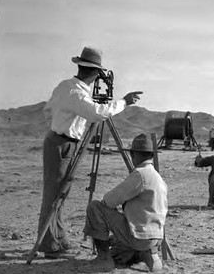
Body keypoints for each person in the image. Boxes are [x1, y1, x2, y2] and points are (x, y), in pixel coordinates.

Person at [37, 46, 143, 259]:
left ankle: (57, 238)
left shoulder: (66, 87)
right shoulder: (75, 92)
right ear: (95, 73)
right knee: (54, 194)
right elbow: (97, 113)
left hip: (61, 140)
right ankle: (49, 245)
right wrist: (124, 102)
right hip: (61, 143)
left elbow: (49, 109)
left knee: (61, 193)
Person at [83, 133, 168, 272]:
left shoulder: (140, 174)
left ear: (134, 155)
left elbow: (109, 201)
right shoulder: (158, 178)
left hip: (140, 237)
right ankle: (151, 256)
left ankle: (104, 259)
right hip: (156, 238)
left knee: (95, 207)